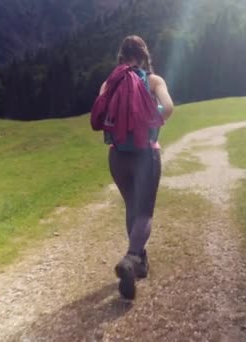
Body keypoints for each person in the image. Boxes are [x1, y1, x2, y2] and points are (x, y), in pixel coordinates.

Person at [94, 35, 174, 300]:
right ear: (144, 56)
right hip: (145, 154)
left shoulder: (110, 82)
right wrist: (149, 116)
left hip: (117, 156)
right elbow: (169, 108)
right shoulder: (153, 81)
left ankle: (139, 260)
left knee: (131, 206)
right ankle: (130, 259)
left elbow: (103, 115)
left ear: (121, 56)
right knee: (145, 212)